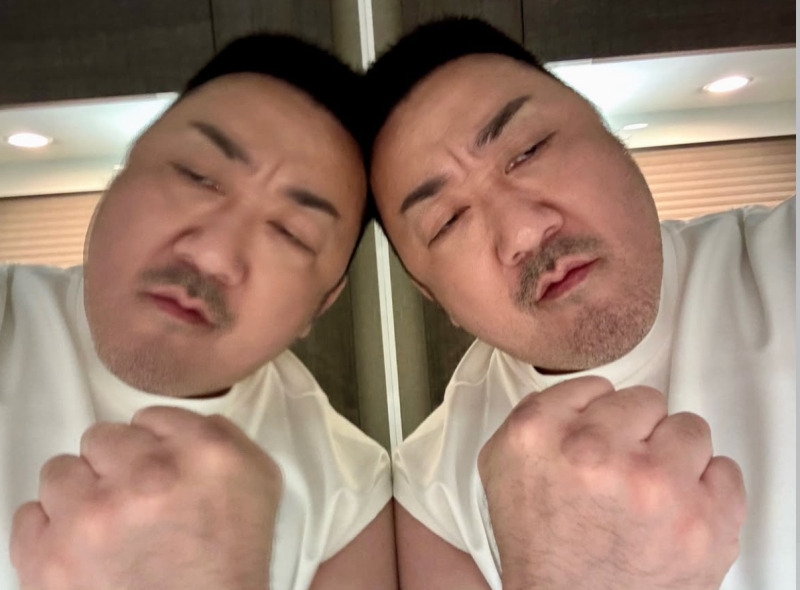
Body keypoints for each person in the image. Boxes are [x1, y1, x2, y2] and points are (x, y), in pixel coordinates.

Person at [365, 18, 794, 590]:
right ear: (431, 294)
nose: (523, 231)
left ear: (605, 127)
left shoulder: (782, 256)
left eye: (528, 151)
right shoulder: (433, 495)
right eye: (447, 221)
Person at [1, 33, 395, 590]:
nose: (214, 255)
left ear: (323, 303)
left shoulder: (347, 496)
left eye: (290, 232)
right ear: (122, 172)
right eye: (197, 177)